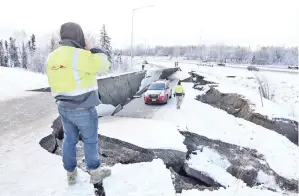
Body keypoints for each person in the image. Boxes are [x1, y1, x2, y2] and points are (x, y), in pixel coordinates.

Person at [46, 22, 111, 185]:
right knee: (90, 141)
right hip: (83, 108)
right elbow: (104, 65)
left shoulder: (52, 56)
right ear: (78, 36)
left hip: (63, 106)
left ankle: (71, 175)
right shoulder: (79, 55)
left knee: (69, 139)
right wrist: (92, 49)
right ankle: (95, 172)